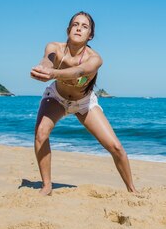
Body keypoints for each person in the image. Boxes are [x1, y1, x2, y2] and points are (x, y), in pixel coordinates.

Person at [30, 11, 137, 195]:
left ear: (91, 35)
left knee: (116, 147)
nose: (79, 28)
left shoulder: (95, 59)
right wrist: (43, 70)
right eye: (75, 24)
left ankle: (132, 190)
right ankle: (46, 186)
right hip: (57, 97)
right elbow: (48, 60)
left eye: (84, 26)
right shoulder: (54, 47)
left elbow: (79, 71)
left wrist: (54, 74)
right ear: (68, 29)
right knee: (41, 133)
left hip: (84, 102)